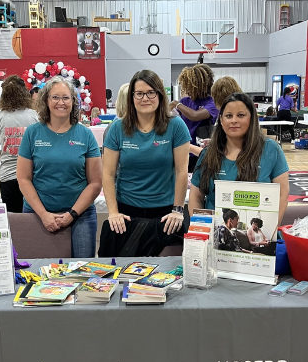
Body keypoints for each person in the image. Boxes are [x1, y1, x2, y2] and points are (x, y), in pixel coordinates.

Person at [17, 75, 102, 258]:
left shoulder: (85, 135)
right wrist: (44, 215)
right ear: (46, 100)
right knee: (38, 274)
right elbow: (24, 179)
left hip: (80, 216)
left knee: (81, 274)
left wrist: (72, 214)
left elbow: (95, 183)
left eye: (66, 97)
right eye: (55, 97)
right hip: (37, 214)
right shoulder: (33, 133)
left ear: (73, 101)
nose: (60, 102)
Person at [102, 69, 190, 238]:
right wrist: (113, 212)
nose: (145, 98)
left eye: (151, 93)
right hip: (126, 212)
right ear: (131, 97)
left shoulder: (176, 126)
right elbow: (108, 173)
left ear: (160, 95)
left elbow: (181, 172)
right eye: (139, 94)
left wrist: (178, 210)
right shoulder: (117, 128)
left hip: (166, 214)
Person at [188, 93, 289, 222]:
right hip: (216, 236)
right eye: (228, 116)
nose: (234, 120)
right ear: (221, 119)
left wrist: (270, 231)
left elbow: (282, 195)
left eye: (240, 115)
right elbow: (196, 197)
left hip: (261, 237)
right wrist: (202, 228)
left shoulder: (271, 150)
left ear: (251, 118)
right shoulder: (208, 154)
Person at [0, 75, 38, 213]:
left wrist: (8, 151)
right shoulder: (34, 116)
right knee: (35, 222)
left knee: (14, 223)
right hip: (32, 177)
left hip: (8, 177)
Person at [169, 64, 217, 172]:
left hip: (201, 153)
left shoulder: (212, 103)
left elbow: (195, 116)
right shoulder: (185, 101)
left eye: (190, 87)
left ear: (199, 86)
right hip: (183, 151)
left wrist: (176, 104)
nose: (187, 90)